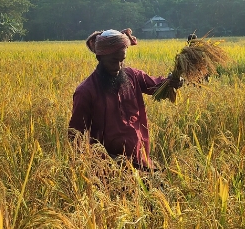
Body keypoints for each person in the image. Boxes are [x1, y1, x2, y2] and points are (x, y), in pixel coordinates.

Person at [68, 28, 181, 170]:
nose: (118, 66)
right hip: (109, 168)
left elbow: (156, 86)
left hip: (141, 160)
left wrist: (172, 80)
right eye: (114, 61)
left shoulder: (132, 76)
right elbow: (75, 136)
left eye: (122, 61)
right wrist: (100, 160)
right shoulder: (86, 91)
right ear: (99, 57)